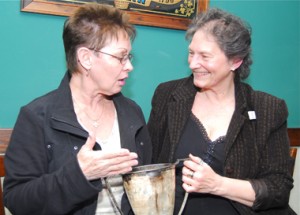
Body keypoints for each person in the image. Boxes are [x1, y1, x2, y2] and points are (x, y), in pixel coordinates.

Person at [4, 3, 152, 215]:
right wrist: (79, 174)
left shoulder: (132, 113)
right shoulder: (37, 117)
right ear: (86, 58)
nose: (129, 66)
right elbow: (18, 201)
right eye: (120, 57)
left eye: (129, 57)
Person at [147, 7, 295, 215]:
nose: (193, 63)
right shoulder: (167, 95)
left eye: (205, 56)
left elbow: (278, 189)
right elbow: (149, 166)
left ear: (235, 61)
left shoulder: (268, 109)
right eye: (191, 53)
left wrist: (216, 184)